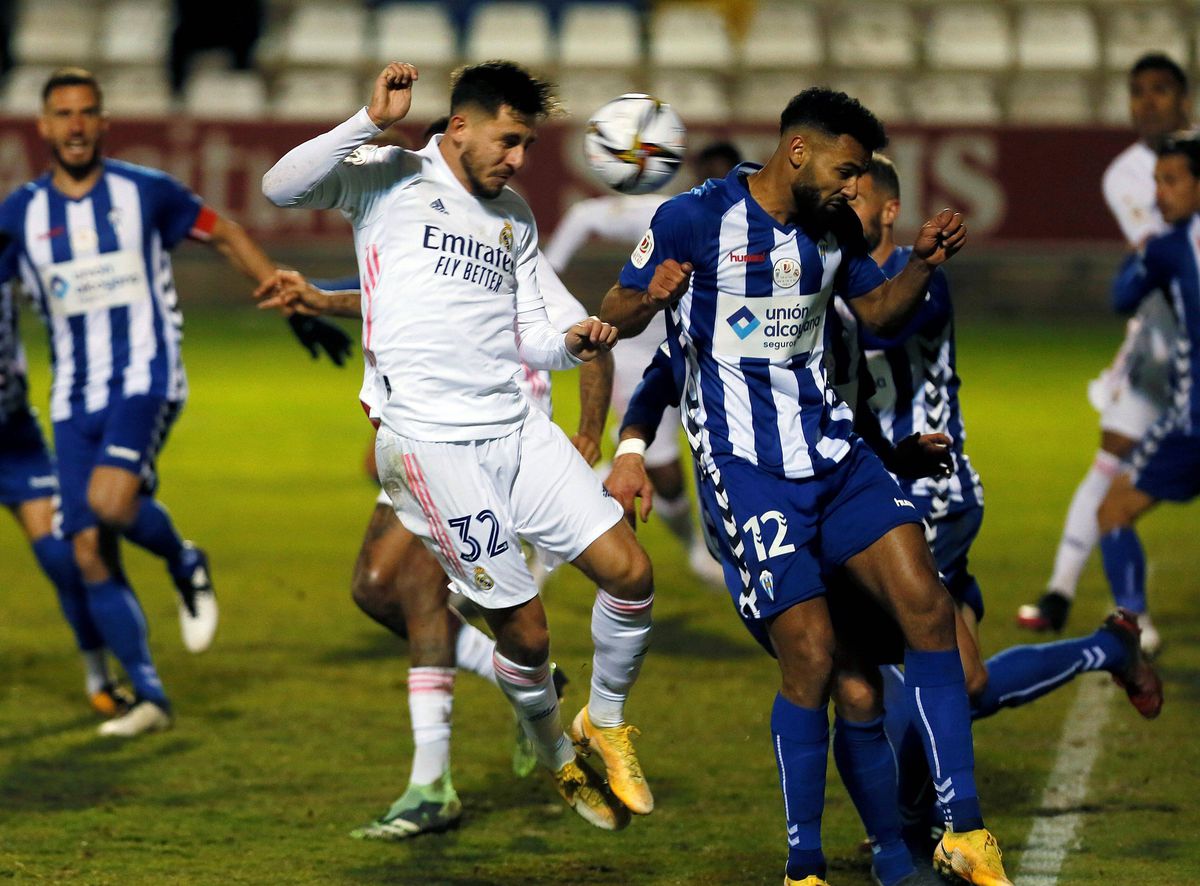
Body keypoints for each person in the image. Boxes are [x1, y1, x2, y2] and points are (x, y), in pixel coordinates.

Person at [601, 86, 1012, 885]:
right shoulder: (695, 219)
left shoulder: (833, 230)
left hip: (836, 455)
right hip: (747, 473)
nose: (856, 188)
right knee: (822, 662)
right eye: (848, 170)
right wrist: (646, 301)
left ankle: (963, 831)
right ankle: (805, 864)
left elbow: (883, 315)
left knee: (928, 607)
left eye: (862, 176)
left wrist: (924, 260)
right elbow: (615, 312)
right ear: (800, 151)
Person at [263, 60, 656, 832]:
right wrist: (366, 121)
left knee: (633, 574)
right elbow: (280, 186)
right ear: (462, 126)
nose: (519, 160)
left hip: (517, 431)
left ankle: (602, 723)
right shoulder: (386, 175)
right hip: (434, 449)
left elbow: (530, 341)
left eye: (528, 145)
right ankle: (554, 757)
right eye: (510, 141)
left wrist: (573, 342)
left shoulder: (512, 215)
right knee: (527, 630)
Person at [836, 154, 1163, 867]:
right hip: (872, 493)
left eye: (856, 198)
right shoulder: (836, 275)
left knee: (890, 671)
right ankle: (1107, 649)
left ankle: (910, 826)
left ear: (890, 211)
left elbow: (881, 331)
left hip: (933, 497)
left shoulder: (925, 284)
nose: (843, 207)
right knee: (965, 682)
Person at [254, 243, 612, 839]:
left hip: (486, 446)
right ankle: (526, 679)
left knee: (421, 593)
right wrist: (318, 297)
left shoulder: (505, 244)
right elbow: (384, 297)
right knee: (373, 589)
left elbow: (593, 342)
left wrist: (590, 435)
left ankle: (431, 786)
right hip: (420, 434)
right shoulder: (418, 229)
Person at [0, 67, 287, 736]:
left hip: (144, 375)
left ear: (103, 122)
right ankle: (151, 698)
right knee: (89, 551)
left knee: (107, 503)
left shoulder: (145, 192)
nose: (75, 125)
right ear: (43, 127)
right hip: (71, 395)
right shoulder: (21, 214)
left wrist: (282, 293)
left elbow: (223, 231)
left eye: (86, 112)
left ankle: (185, 560)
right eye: (63, 114)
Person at [1018, 53, 1191, 653]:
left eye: (1161, 90)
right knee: (1111, 461)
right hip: (1160, 344)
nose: (1148, 102)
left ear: (1184, 98)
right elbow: (1158, 254)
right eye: (1137, 91)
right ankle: (1063, 590)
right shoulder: (1125, 174)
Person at [545, 142, 742, 585]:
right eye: (710, 172)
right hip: (635, 354)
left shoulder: (737, 226)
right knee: (656, 468)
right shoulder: (675, 215)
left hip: (699, 350)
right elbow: (565, 247)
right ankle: (686, 551)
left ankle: (705, 548)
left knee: (691, 469)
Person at [1092, 135, 1200, 667]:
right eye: (1156, 180)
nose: (1159, 194)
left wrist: (1142, 251)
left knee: (1113, 509)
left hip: (1193, 424)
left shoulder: (1171, 247)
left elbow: (1121, 298)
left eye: (1172, 180)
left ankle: (1134, 622)